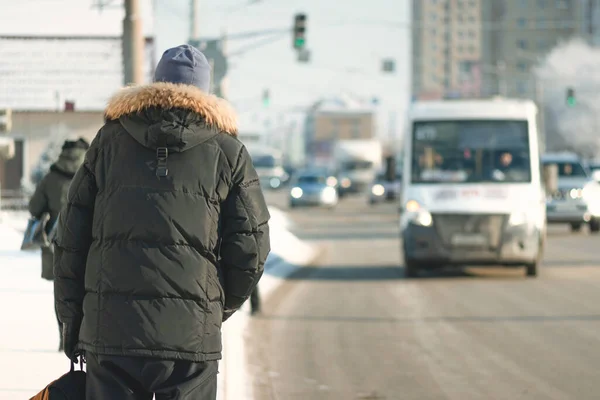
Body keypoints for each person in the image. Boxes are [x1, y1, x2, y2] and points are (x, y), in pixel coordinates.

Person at [53, 44, 270, 400]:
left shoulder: (108, 142)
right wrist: (210, 308)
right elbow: (253, 247)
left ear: (155, 85)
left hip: (111, 334)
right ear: (205, 92)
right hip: (190, 341)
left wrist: (72, 323)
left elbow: (69, 240)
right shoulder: (229, 153)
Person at [28, 137, 89, 352]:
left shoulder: (51, 178)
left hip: (58, 243)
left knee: (62, 291)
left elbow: (34, 207)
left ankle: (65, 335)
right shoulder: (94, 172)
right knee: (90, 289)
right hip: (91, 243)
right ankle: (87, 337)